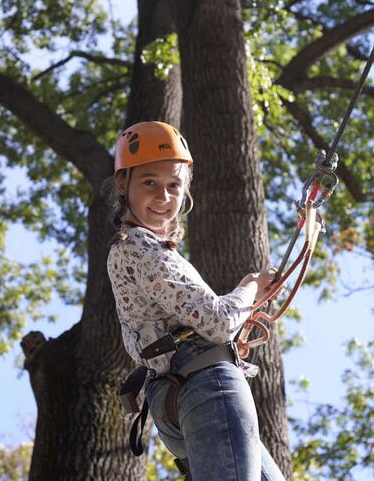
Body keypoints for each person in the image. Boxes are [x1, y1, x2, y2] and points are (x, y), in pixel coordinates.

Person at [105, 121, 286, 480]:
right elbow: (218, 322)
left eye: (174, 185)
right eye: (150, 182)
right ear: (123, 185)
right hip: (205, 383)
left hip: (182, 388)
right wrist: (250, 287)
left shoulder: (139, 250)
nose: (163, 196)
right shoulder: (139, 247)